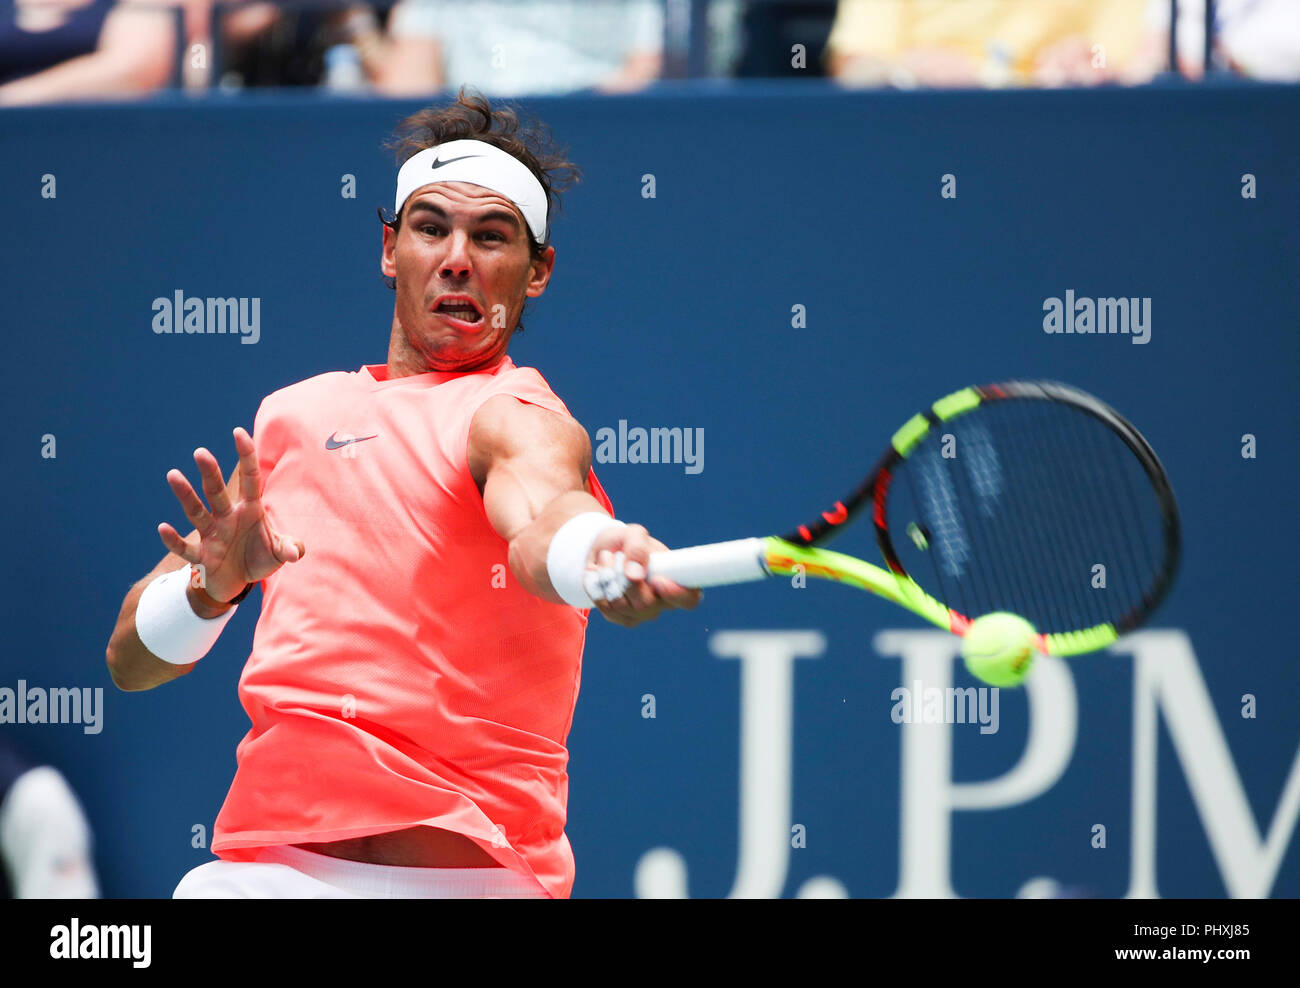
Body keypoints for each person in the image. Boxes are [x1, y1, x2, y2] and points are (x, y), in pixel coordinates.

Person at [104, 87, 700, 899]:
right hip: (268, 876)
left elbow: (542, 518)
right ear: (391, 249)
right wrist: (212, 586)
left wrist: (593, 552)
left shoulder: (514, 416)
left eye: (492, 237)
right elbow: (129, 665)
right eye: (431, 228)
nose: (458, 257)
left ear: (538, 271)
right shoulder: (291, 418)